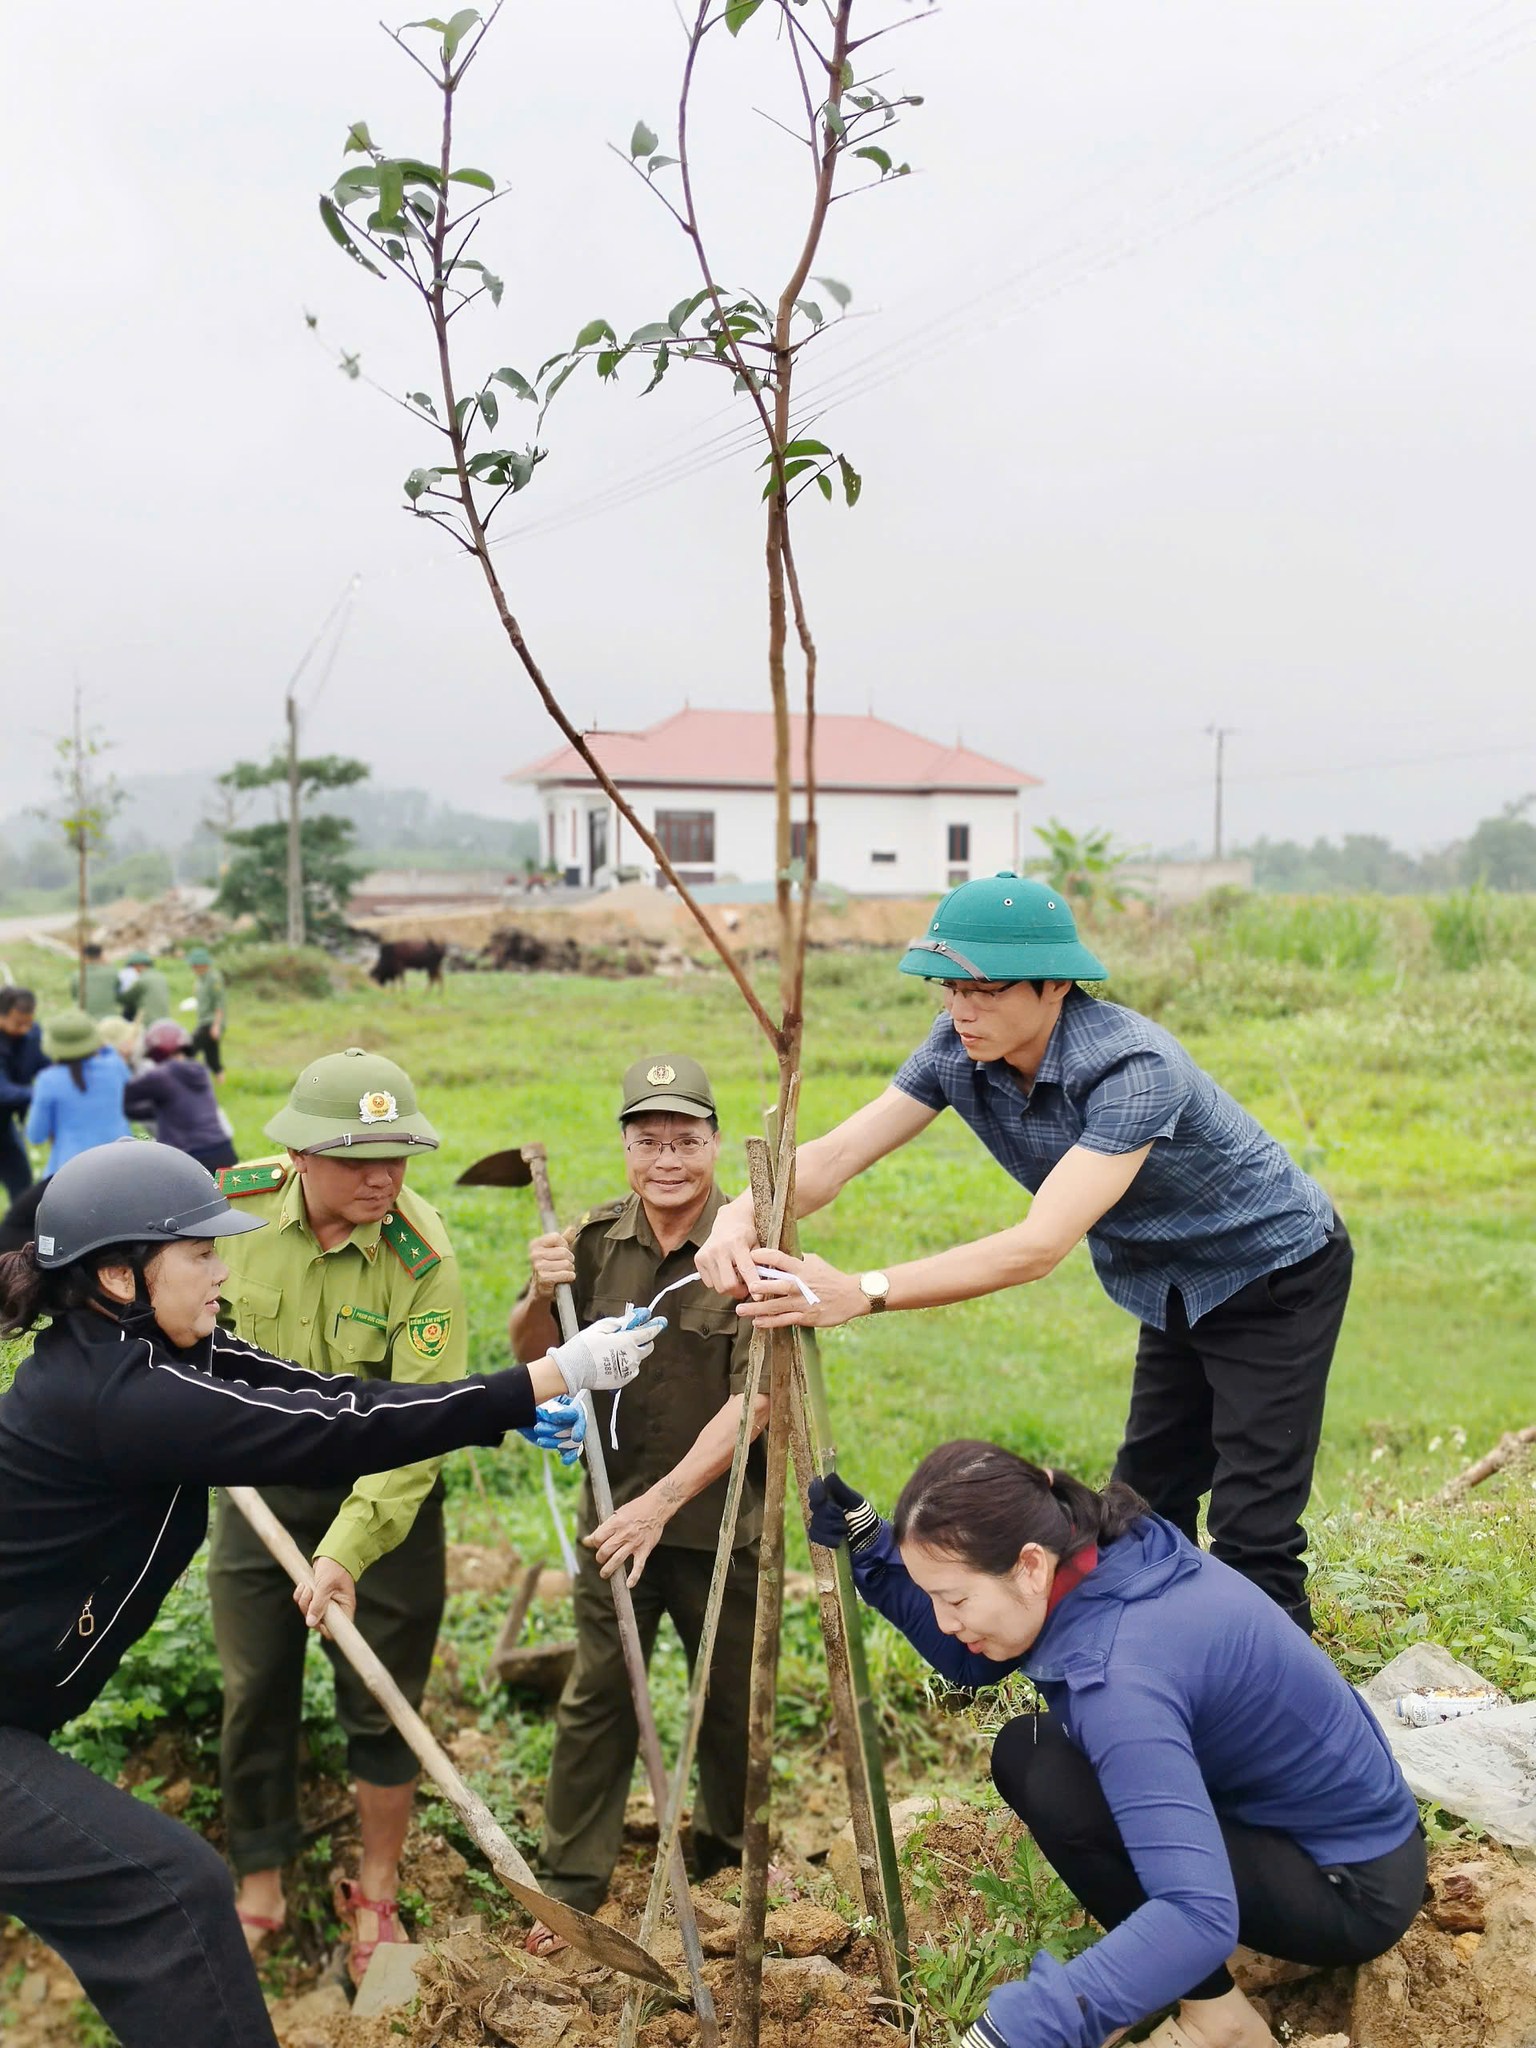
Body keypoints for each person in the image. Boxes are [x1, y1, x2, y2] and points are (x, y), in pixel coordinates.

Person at [0, 1139, 659, 2048]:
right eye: (199, 1254)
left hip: (15, 1719)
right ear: (118, 1274)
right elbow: (330, 1435)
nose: (223, 1270)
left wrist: (505, 1403)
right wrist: (552, 1374)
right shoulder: (121, 1395)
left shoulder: (156, 1351)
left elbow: (325, 1395)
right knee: (173, 1894)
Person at [699, 874, 1351, 1632]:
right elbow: (842, 1152)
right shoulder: (956, 1047)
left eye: (988, 989)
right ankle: (1159, 1666)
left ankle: (1280, 1717)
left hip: (1273, 1274)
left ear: (1056, 987)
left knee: (1253, 1527)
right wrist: (738, 1215)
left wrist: (863, 1290)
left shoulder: (1132, 1067)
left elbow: (1038, 1245)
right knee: (1143, 1507)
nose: (961, 1009)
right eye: (947, 988)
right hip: (1167, 1286)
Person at [810, 1445, 1425, 2048]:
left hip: (1349, 1886)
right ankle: (1217, 2007)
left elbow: (1197, 1917)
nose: (945, 1620)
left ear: (1028, 1566)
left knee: (1056, 1780)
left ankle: (1220, 2025)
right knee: (1034, 1752)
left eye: (955, 1599)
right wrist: (877, 1549)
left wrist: (1020, 2030)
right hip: (1291, 1818)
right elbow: (974, 1656)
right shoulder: (1092, 1552)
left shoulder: (1120, 1676)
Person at [207, 1049, 469, 1977]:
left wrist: (347, 1553)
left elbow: (424, 1426)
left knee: (382, 1699)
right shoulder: (227, 1214)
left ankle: (378, 1894)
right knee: (254, 1689)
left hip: (383, 1495)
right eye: (359, 1158)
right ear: (302, 1157)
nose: (383, 1178)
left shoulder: (420, 1252)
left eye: (398, 1156)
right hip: (257, 1484)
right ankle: (260, 1881)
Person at [508, 1053, 769, 1950]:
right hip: (612, 1516)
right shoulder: (586, 1242)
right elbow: (532, 1354)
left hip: (716, 1524)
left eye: (686, 1141)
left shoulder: (750, 1246)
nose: (668, 1158)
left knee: (728, 1700)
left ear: (712, 1146)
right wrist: (542, 1295)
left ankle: (730, 1866)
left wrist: (661, 1502)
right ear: (625, 1145)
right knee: (599, 1695)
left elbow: (757, 1401)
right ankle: (572, 1879)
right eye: (649, 1139)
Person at [25, 1012, 131, 1175]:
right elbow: (111, 1055)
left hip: (69, 1172)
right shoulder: (115, 1066)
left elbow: (36, 1135)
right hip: (122, 1163)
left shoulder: (48, 1081)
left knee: (26, 1201)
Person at [124, 1021, 235, 1172]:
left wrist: (128, 1059)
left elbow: (123, 1097)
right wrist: (159, 1111)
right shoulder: (199, 1070)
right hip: (223, 1151)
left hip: (189, 1158)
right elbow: (179, 1107)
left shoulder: (161, 1076)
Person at [0, 987, 47, 1210]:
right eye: (18, 1023)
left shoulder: (31, 1034)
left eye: (29, 1022)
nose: (25, 1029)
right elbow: (3, 1091)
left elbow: (44, 1064)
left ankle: (19, 1237)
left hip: (5, 1124)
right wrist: (43, 1092)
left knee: (23, 1186)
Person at [187, 946, 227, 1080]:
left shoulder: (214, 978)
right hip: (203, 1021)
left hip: (210, 1023)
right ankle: (220, 1082)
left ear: (203, 965)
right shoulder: (200, 979)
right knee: (212, 1058)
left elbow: (219, 1003)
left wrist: (216, 1026)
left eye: (195, 965)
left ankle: (187, 1079)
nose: (193, 968)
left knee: (189, 1050)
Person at [122, 950, 173, 1028]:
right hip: (165, 1020)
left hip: (148, 1023)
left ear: (138, 965)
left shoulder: (142, 980)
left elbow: (126, 998)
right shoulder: (161, 977)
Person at [81, 943, 120, 1019]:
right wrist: (108, 964)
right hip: (109, 1019)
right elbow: (118, 989)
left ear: (85, 957)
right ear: (101, 956)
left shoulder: (78, 976)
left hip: (85, 1019)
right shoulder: (112, 972)